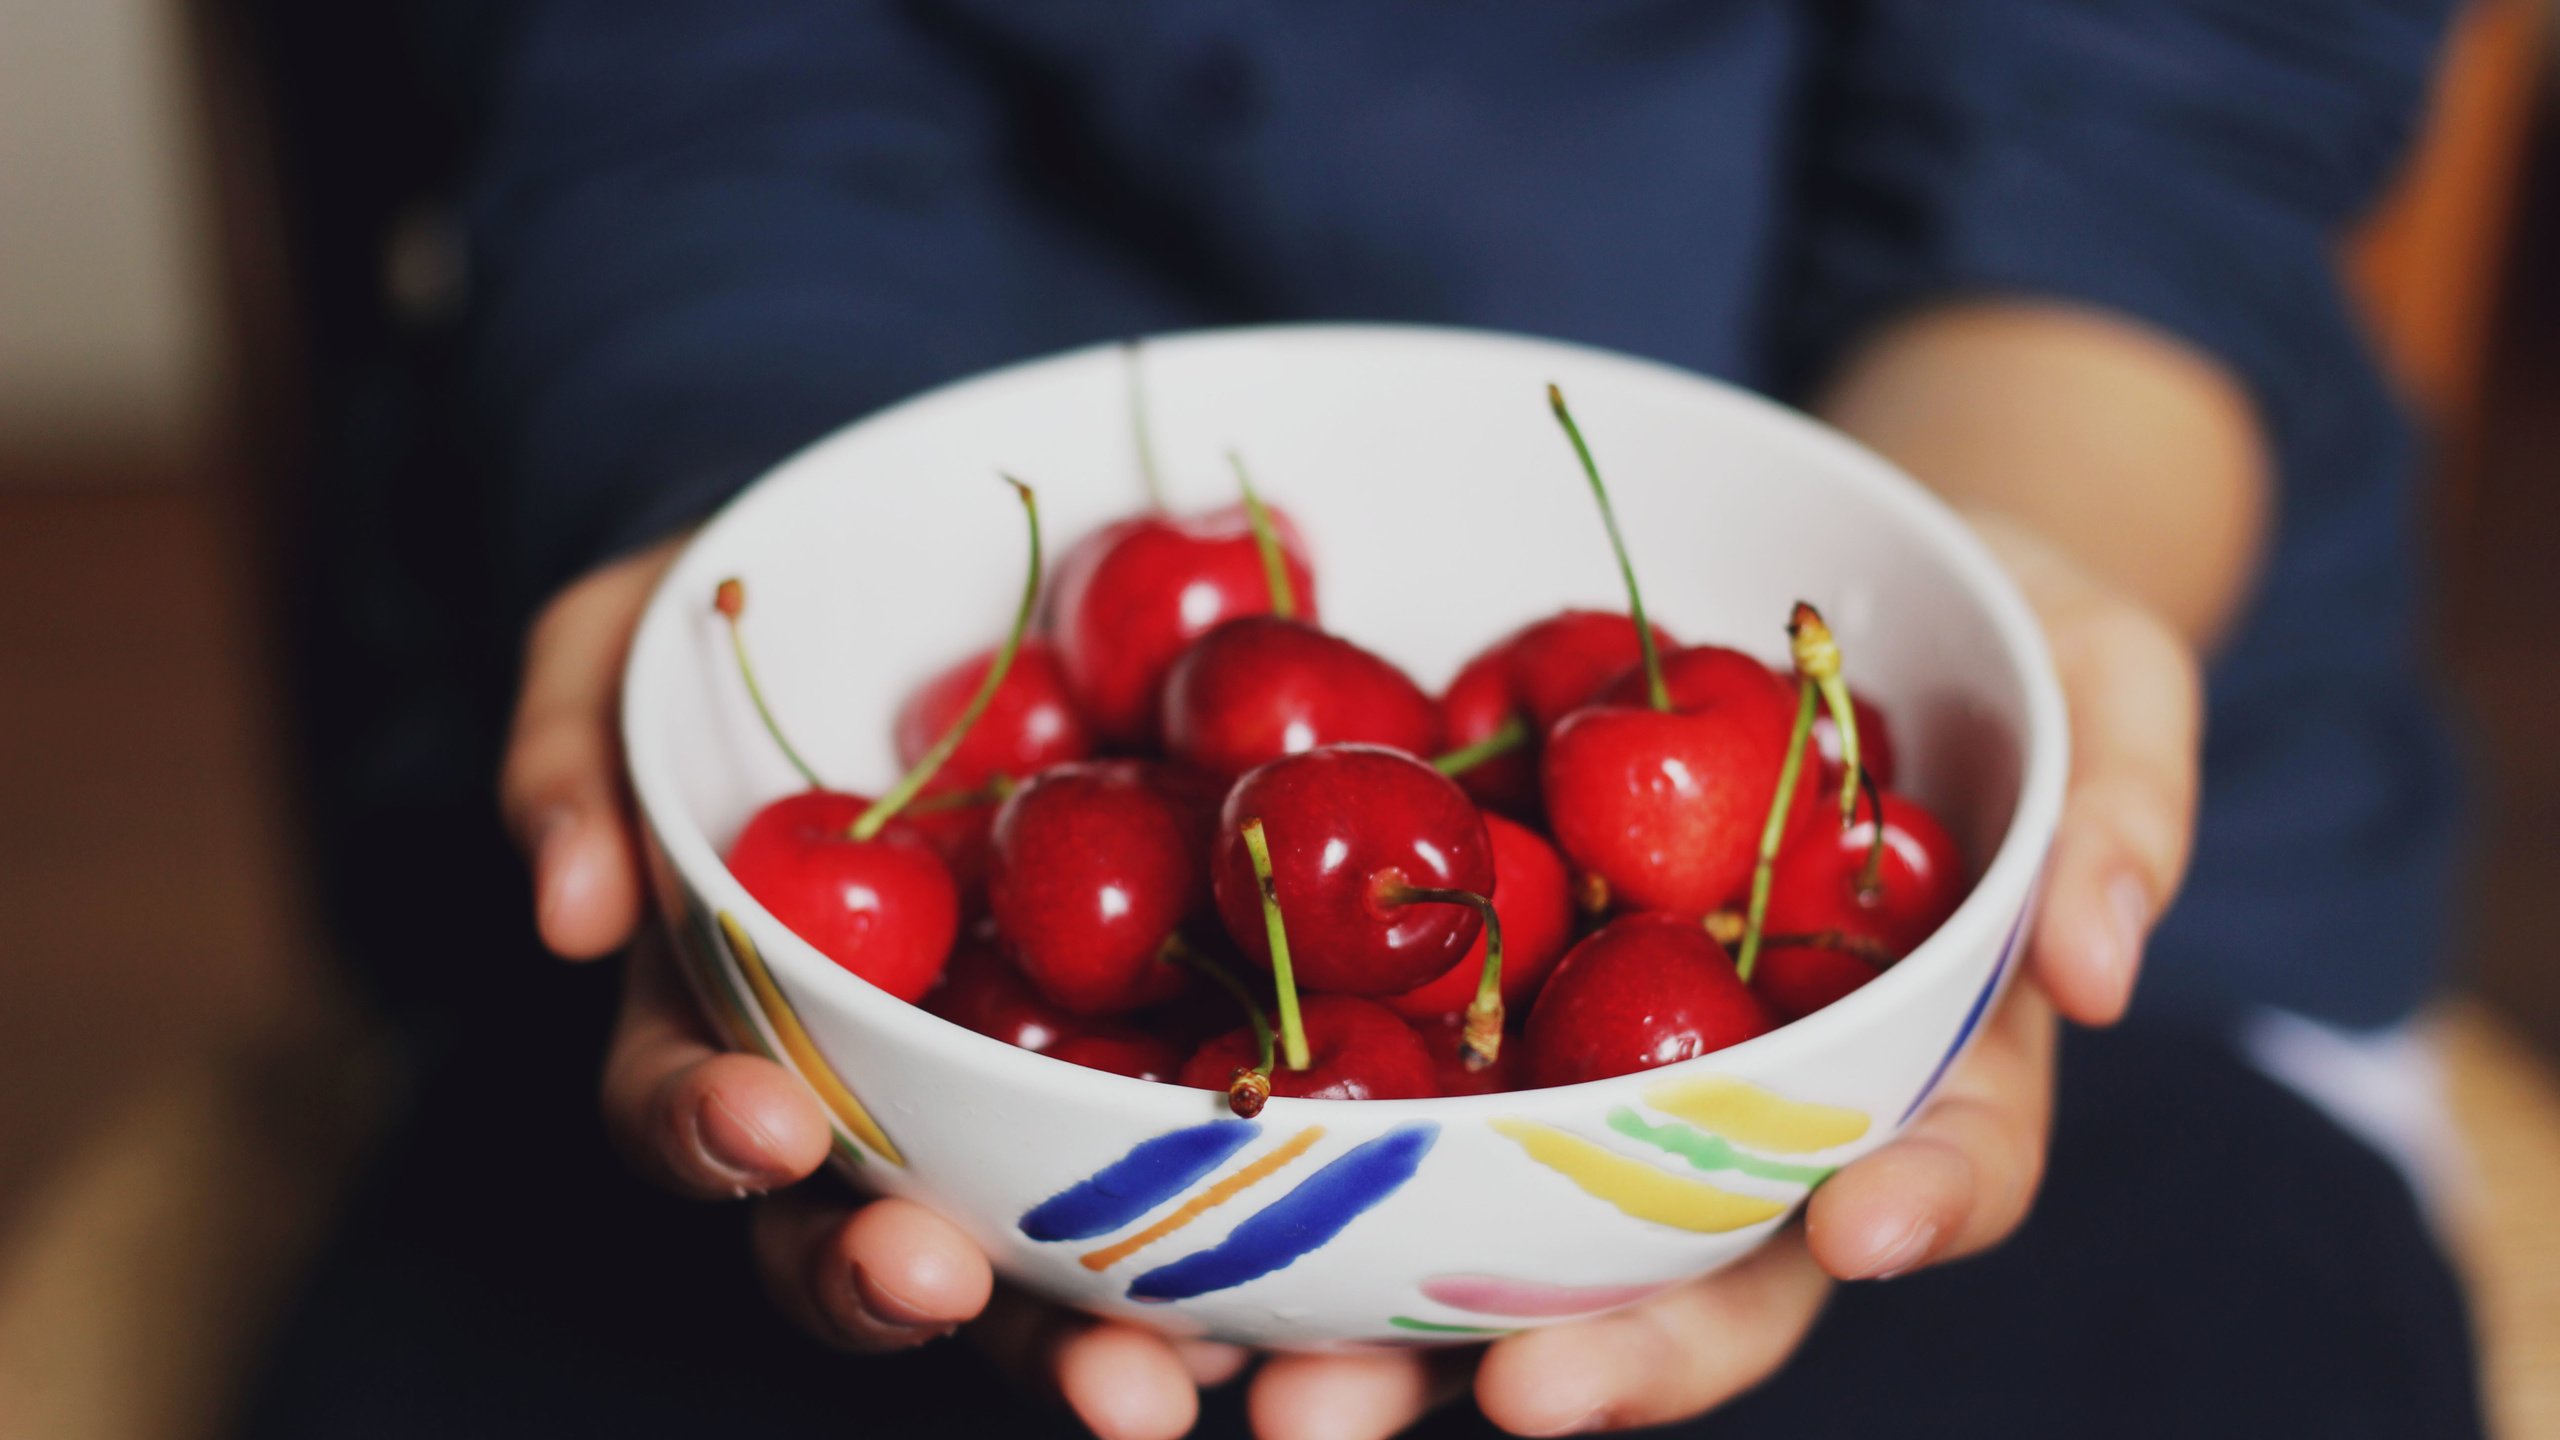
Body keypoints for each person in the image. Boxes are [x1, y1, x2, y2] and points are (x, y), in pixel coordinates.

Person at [238, 4, 2483, 1437]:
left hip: (2074, 948)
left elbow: (2154, 118)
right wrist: (761, 547)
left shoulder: (1825, 826)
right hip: (869, 985)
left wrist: (1985, 576)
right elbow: (675, 90)